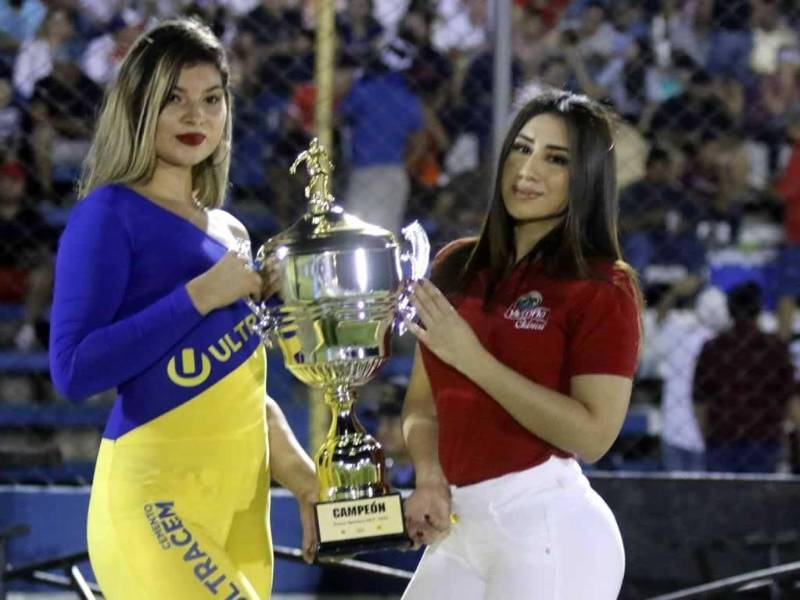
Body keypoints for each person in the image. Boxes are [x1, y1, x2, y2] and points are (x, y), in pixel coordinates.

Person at [48, 18, 318, 599]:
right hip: (154, 501)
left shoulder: (231, 232)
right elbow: (72, 371)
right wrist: (199, 297)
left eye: (211, 99)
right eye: (174, 98)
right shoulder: (107, 214)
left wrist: (305, 482)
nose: (197, 116)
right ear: (139, 105)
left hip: (240, 513)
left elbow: (242, 390)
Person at [400, 90, 642, 599]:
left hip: (549, 528)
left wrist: (473, 359)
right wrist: (429, 476)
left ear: (586, 177)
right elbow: (422, 406)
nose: (528, 170)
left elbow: (594, 436)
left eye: (556, 159)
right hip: (459, 525)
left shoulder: (603, 287)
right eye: (522, 148)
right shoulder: (455, 265)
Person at [693, 281, 796, 473]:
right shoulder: (774, 348)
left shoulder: (713, 348)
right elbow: (790, 399)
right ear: (758, 309)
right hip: (765, 439)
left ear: (729, 310)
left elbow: (700, 402)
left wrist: (708, 436)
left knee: (721, 491)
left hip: (722, 439)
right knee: (762, 491)